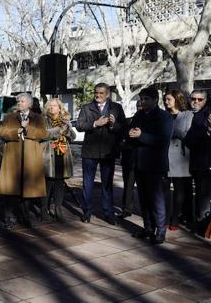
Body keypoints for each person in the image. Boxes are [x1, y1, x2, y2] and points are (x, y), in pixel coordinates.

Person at [76, 82, 126, 225]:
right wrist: (95, 124)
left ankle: (108, 213)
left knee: (107, 184)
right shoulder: (86, 108)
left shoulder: (116, 108)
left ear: (108, 94)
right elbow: (79, 126)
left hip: (108, 152)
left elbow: (123, 128)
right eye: (96, 93)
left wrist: (113, 125)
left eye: (101, 93)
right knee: (87, 183)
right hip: (90, 152)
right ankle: (87, 212)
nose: (97, 95)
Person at [128, 86, 173, 244]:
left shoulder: (164, 117)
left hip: (155, 164)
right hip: (139, 163)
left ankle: (161, 230)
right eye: (141, 99)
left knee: (157, 199)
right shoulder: (139, 115)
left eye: (147, 99)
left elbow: (163, 140)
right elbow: (131, 133)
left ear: (155, 100)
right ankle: (148, 227)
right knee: (144, 199)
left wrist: (142, 136)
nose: (143, 102)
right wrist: (130, 135)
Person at [0, 92, 47, 228]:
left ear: (30, 104)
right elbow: (2, 132)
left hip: (30, 158)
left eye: (23, 101)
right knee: (11, 191)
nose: (19, 103)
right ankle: (10, 218)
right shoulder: (9, 117)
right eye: (18, 101)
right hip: (12, 158)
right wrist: (18, 131)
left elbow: (42, 133)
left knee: (28, 190)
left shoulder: (38, 118)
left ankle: (25, 217)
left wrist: (28, 129)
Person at [184, 89, 211, 226]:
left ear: (205, 100)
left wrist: (189, 138)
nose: (195, 101)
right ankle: (198, 222)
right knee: (198, 194)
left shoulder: (208, 114)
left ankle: (203, 225)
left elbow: (195, 138)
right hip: (195, 161)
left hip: (205, 162)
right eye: (193, 99)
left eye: (199, 99)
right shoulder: (195, 114)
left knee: (203, 195)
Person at [162, 90, 193, 231]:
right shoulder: (163, 115)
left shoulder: (188, 115)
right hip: (164, 156)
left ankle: (175, 218)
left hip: (181, 157)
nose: (166, 102)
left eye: (169, 99)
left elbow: (190, 136)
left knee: (180, 190)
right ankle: (166, 217)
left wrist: (178, 133)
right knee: (164, 190)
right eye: (165, 99)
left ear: (177, 99)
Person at [41, 98, 75, 222]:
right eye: (50, 106)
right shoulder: (43, 119)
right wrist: (58, 131)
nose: (52, 108)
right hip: (48, 154)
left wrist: (67, 130)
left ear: (60, 108)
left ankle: (58, 210)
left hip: (62, 154)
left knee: (60, 183)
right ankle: (44, 210)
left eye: (55, 106)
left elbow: (73, 136)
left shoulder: (65, 121)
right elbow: (42, 134)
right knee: (48, 183)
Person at [119, 100, 142, 219]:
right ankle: (127, 209)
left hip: (143, 159)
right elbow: (121, 139)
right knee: (128, 185)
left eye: (142, 106)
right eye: (138, 106)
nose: (140, 108)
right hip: (128, 158)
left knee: (145, 188)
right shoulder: (128, 121)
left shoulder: (151, 122)